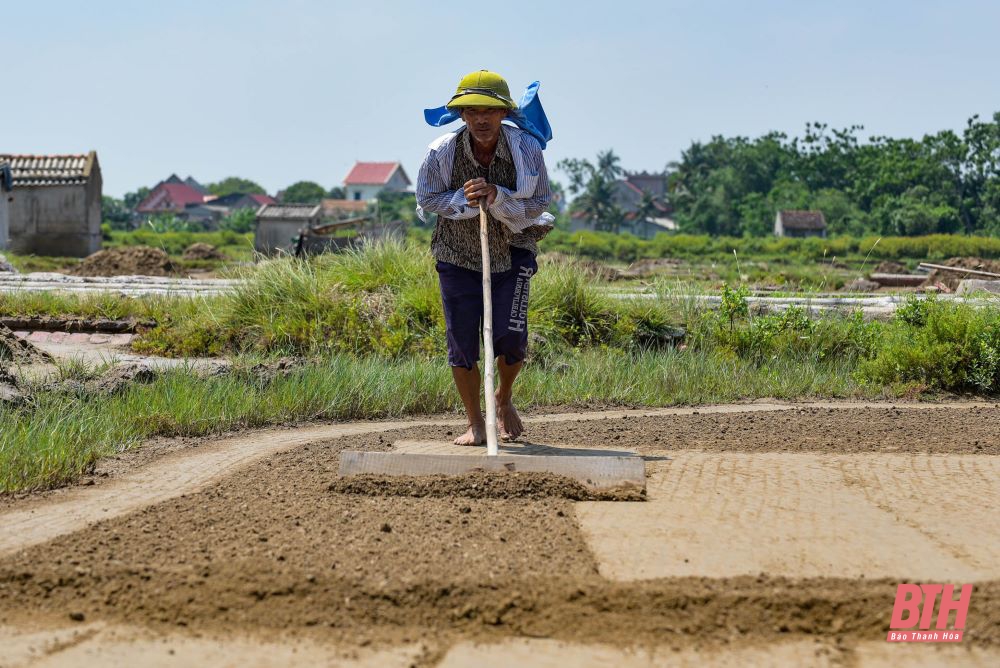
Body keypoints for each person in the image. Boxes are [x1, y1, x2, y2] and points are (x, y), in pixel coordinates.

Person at [416, 70, 554, 446]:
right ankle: (476, 422)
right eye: (472, 111)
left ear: (503, 113)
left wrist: (498, 197)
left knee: (511, 337)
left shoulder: (526, 149)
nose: (481, 119)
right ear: (461, 115)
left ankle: (503, 398)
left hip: (515, 249)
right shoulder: (440, 152)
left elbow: (540, 201)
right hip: (457, 253)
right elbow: (427, 198)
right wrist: (464, 199)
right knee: (462, 344)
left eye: (489, 111)